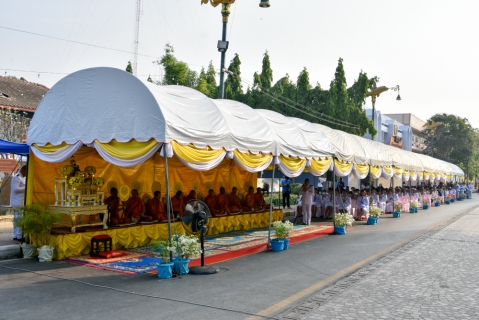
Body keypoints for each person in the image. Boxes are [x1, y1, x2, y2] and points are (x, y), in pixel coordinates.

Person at [10, 165, 27, 241]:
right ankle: (19, 236)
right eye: (26, 172)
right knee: (19, 219)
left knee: (17, 218)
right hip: (17, 201)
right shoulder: (16, 177)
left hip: (20, 200)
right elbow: (15, 189)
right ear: (23, 170)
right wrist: (26, 187)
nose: (27, 174)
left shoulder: (22, 177)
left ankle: (16, 235)